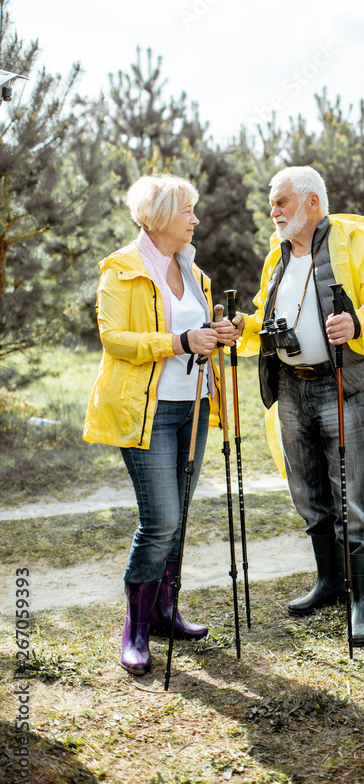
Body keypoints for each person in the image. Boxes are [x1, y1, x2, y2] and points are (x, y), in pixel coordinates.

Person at [234, 166, 364, 646]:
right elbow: (268, 316)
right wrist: (244, 325)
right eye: (272, 202)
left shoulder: (357, 246)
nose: (273, 211)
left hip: (341, 387)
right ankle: (329, 583)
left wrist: (359, 323)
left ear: (312, 204)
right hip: (291, 388)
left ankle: (361, 601)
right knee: (307, 492)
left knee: (353, 497)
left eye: (281, 201)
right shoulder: (275, 257)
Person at [83, 174, 241, 676]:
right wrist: (179, 341)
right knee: (160, 521)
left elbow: (199, 332)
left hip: (193, 407)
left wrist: (219, 333)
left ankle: (164, 612)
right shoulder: (120, 270)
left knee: (180, 519)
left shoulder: (193, 270)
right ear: (159, 217)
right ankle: (135, 628)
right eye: (187, 211)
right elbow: (116, 341)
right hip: (145, 412)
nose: (195, 219)